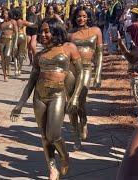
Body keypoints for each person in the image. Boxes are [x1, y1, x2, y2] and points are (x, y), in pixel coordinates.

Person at [10, 18, 84, 180]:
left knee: (54, 135)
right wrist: (19, 105)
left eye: (46, 31)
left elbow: (81, 73)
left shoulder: (69, 48)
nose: (42, 34)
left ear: (56, 31)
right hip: (39, 97)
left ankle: (64, 157)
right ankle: (52, 168)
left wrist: (75, 96)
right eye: (41, 31)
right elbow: (31, 82)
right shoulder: (39, 55)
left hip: (58, 95)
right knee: (44, 136)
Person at [68, 5, 103, 150]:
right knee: (70, 104)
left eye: (83, 16)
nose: (81, 19)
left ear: (88, 17)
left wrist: (98, 75)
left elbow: (100, 54)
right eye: (78, 16)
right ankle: (75, 135)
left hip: (87, 69)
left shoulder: (96, 31)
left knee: (80, 101)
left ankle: (83, 119)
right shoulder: (70, 34)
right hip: (71, 70)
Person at [12, 7, 37, 76]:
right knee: (21, 54)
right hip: (22, 36)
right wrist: (36, 23)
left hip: (14, 37)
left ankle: (16, 69)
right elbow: (32, 25)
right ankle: (19, 70)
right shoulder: (22, 21)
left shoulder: (12, 21)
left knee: (15, 55)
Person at [0, 8, 18, 81]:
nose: (5, 15)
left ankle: (8, 69)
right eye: (4, 13)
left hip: (10, 40)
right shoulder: (1, 23)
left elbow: (16, 32)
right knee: (2, 58)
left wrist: (15, 43)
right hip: (1, 41)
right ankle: (5, 74)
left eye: (7, 13)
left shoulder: (13, 22)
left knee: (7, 56)